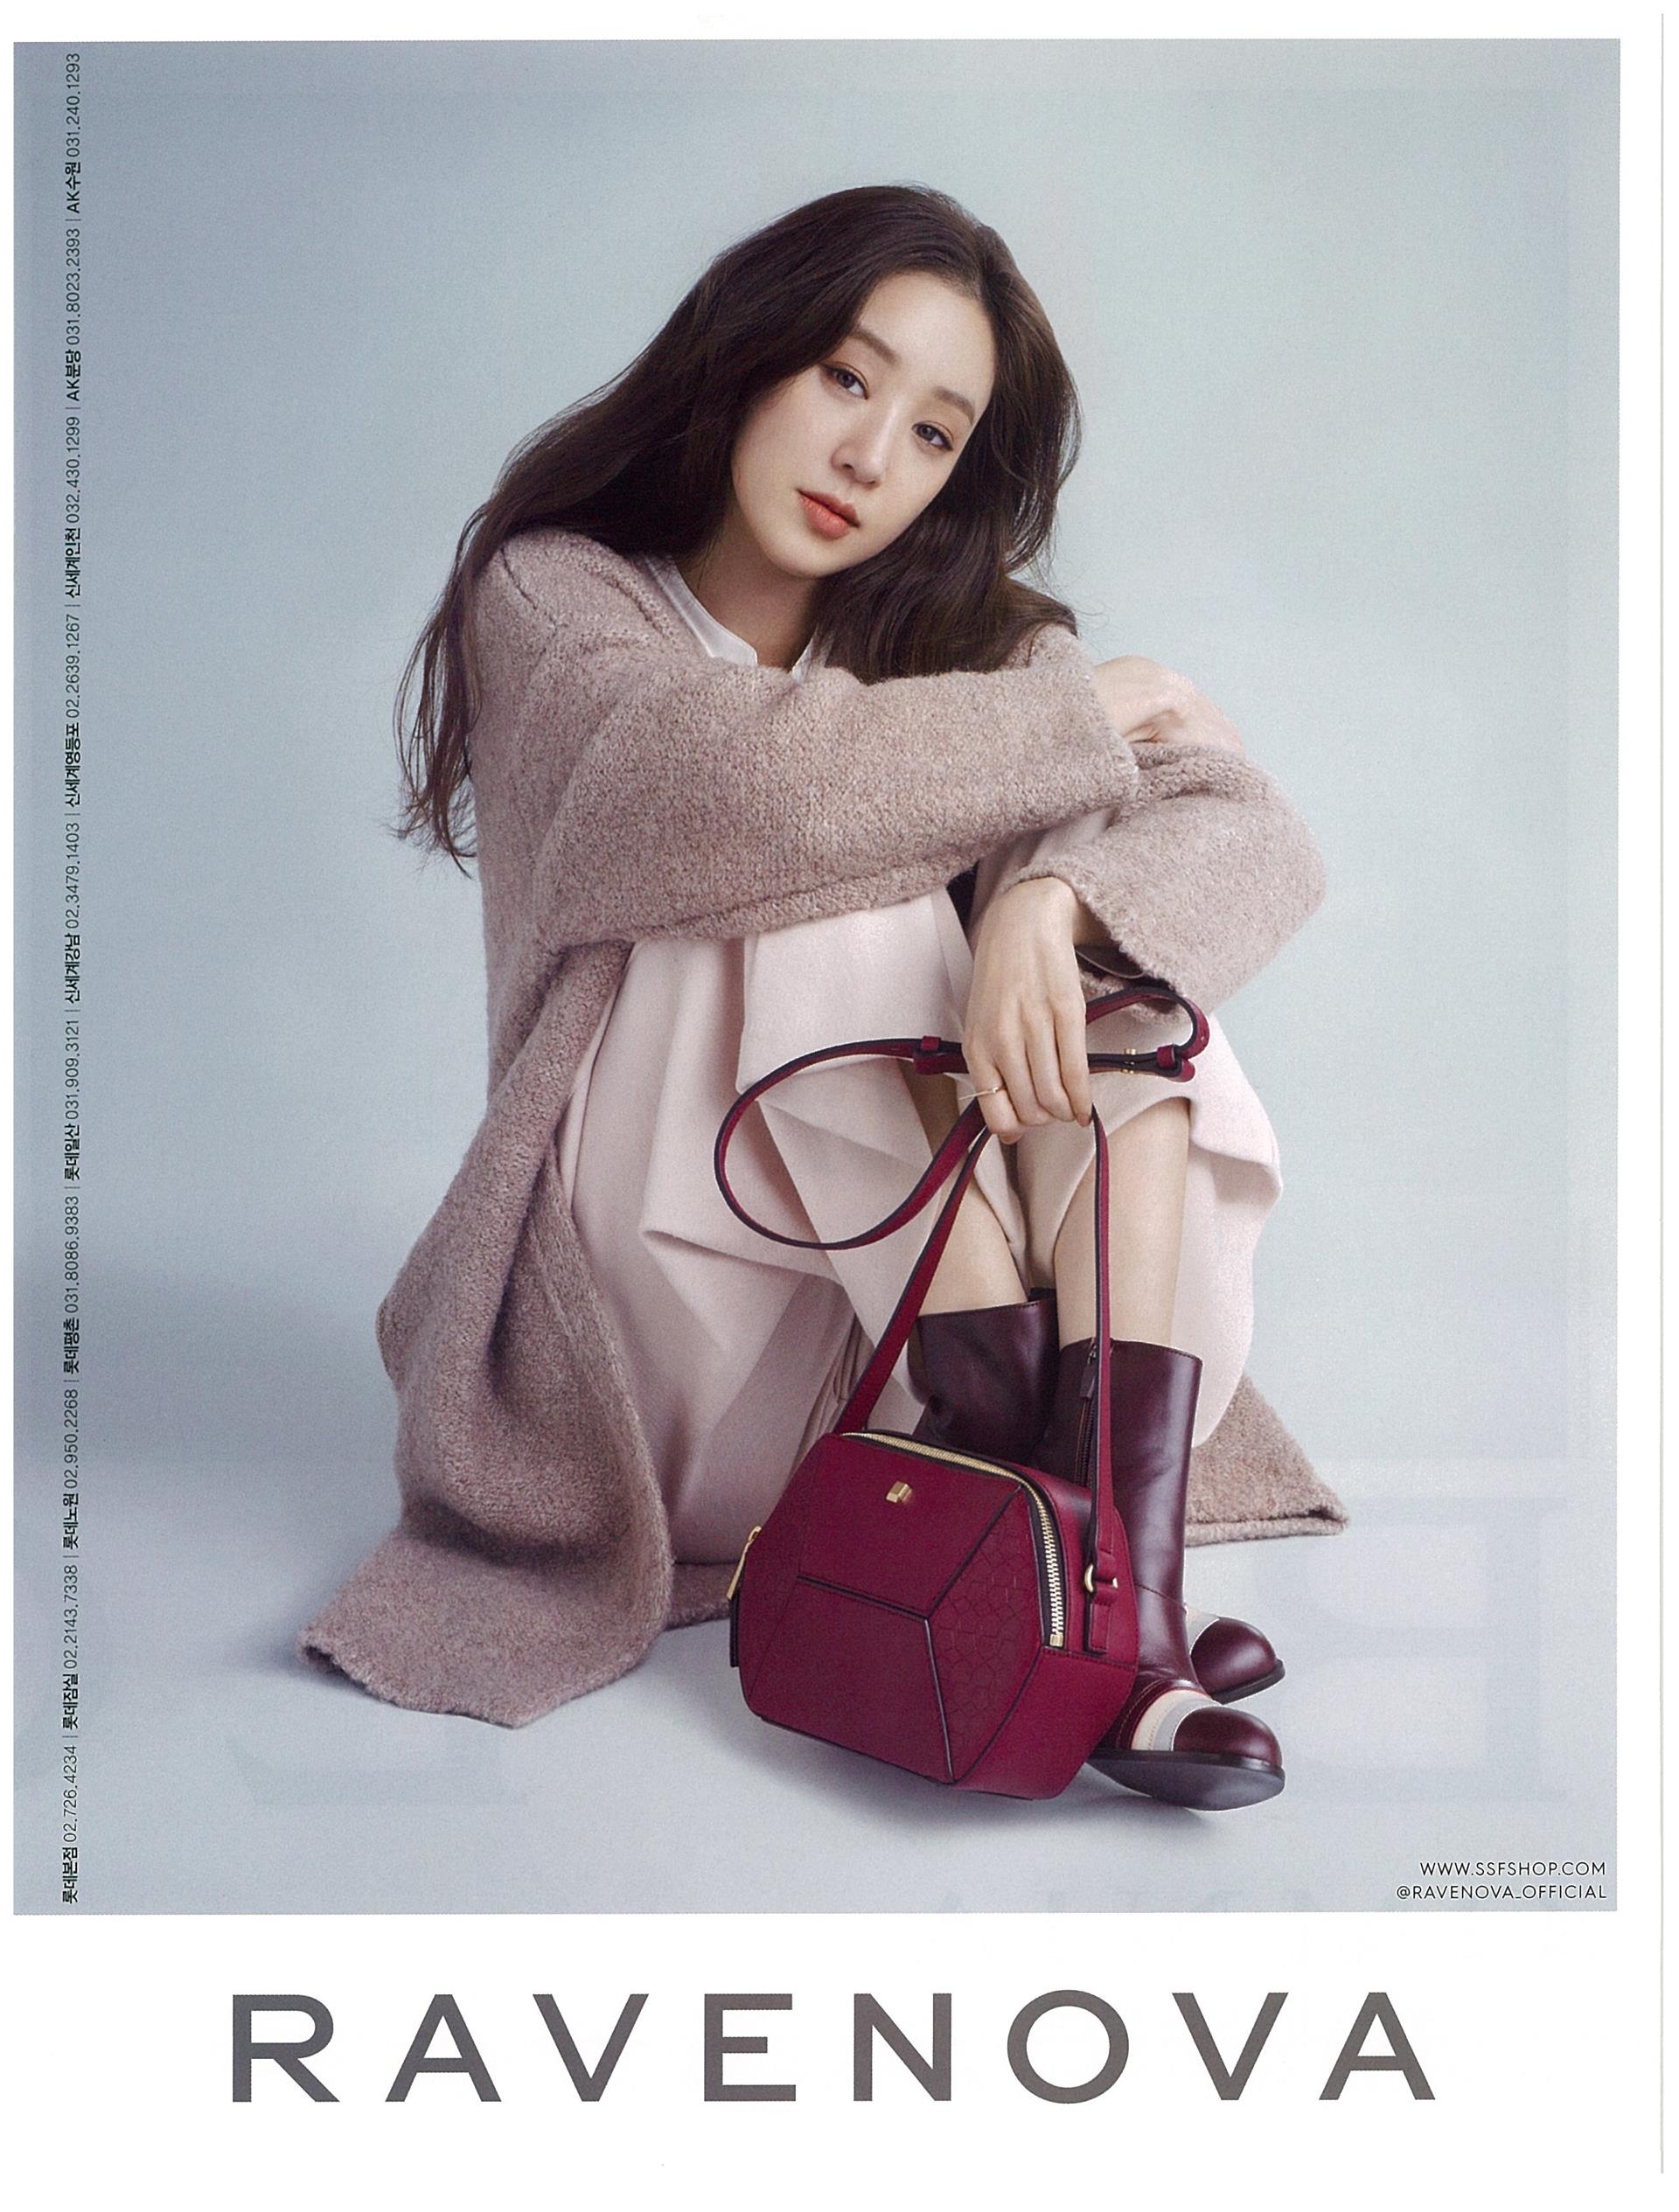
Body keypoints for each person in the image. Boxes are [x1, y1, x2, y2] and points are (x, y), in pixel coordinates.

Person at [297, 184, 1334, 1805]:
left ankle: (1110, 1600)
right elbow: (741, 789)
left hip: (876, 1373)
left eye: (932, 433)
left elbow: (1254, 830)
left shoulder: (953, 646)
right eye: (847, 377)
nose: (867, 457)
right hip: (652, 1358)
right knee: (827, 867)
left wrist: (1049, 905)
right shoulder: (558, 595)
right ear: (747, 353)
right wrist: (1074, 732)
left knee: (1125, 993)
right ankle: (1076, 1539)